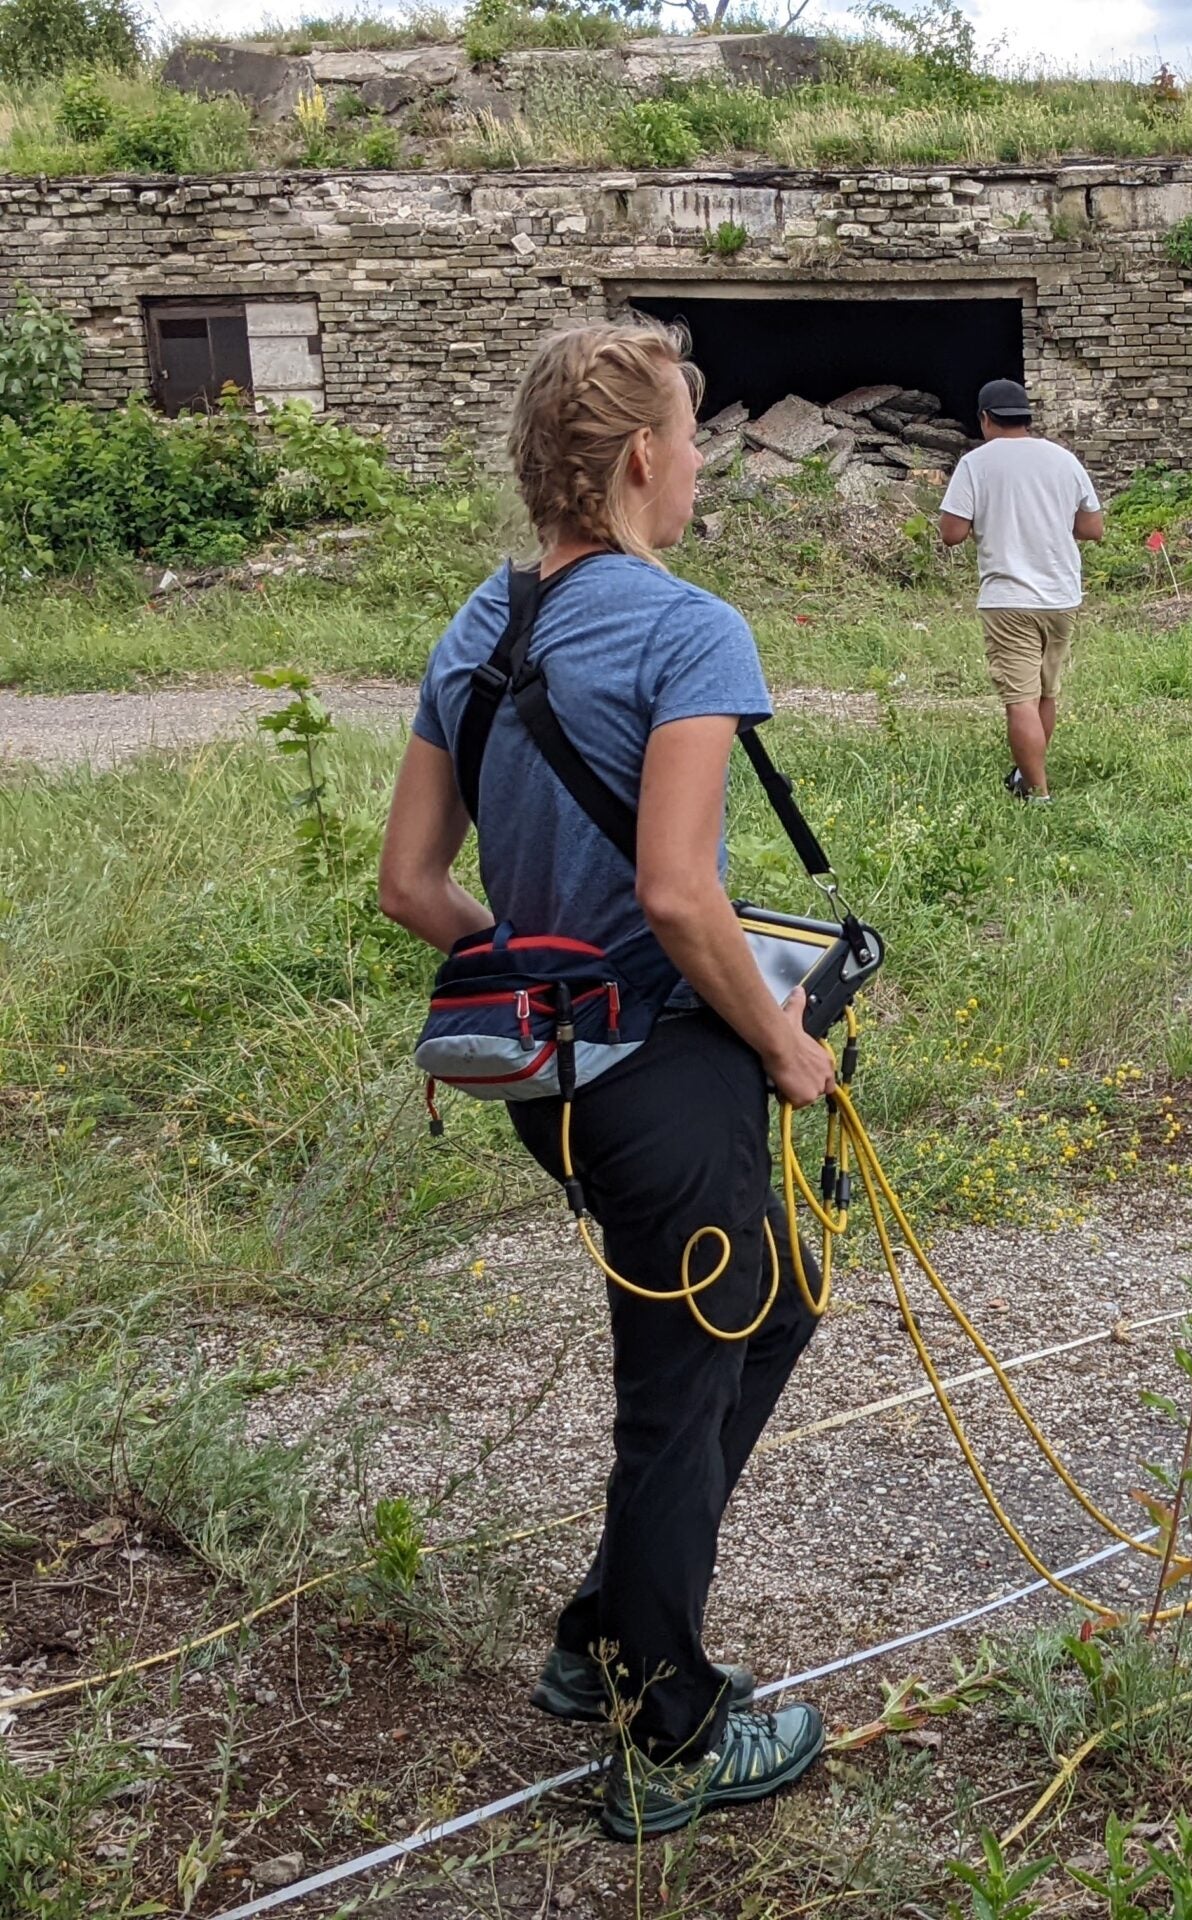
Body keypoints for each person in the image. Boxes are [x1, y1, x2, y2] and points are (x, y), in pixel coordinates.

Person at [377, 322, 835, 1837]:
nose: (701, 462)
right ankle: (671, 1732)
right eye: (694, 436)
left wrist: (537, 964)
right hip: (667, 1084)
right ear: (643, 457)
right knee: (680, 1380)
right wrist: (785, 1045)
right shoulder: (689, 630)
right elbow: (686, 896)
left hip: (545, 1082)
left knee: (772, 1305)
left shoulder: (478, 626)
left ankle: (601, 1632)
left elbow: (410, 884)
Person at [936, 378, 1105, 801]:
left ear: (985, 418)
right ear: (1027, 418)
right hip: (1061, 596)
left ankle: (1039, 795)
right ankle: (1024, 774)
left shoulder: (976, 463)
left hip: (1009, 598)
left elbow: (951, 533)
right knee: (1046, 692)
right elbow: (1092, 528)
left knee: (1019, 700)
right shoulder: (1063, 460)